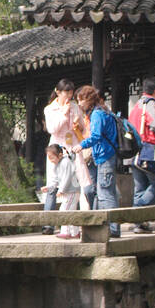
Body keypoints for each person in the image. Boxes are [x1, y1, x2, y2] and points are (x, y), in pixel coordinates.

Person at [71, 86, 121, 238]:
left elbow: (96, 136)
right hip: (106, 155)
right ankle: (111, 226)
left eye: (81, 100)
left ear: (90, 99)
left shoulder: (97, 114)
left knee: (105, 193)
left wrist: (81, 145)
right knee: (105, 191)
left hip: (105, 155)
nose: (79, 103)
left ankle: (112, 228)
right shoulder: (104, 111)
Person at [43, 78, 88, 228]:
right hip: (57, 148)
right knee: (53, 184)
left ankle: (77, 223)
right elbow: (52, 129)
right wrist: (64, 114)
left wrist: (77, 124)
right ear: (58, 92)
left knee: (78, 183)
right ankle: (48, 224)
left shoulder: (75, 106)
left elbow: (83, 127)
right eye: (65, 93)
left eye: (71, 93)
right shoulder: (50, 109)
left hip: (73, 146)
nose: (69, 96)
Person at [127, 76, 155, 233]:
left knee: (140, 188)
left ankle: (140, 224)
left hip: (135, 151)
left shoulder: (137, 105)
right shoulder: (151, 103)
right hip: (148, 151)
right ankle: (138, 210)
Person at [40, 144, 81, 239]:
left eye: (52, 158)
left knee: (65, 210)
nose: (51, 160)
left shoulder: (66, 162)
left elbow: (67, 178)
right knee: (70, 211)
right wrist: (49, 187)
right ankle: (75, 233)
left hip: (72, 191)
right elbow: (56, 179)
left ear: (60, 155)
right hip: (68, 191)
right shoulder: (57, 165)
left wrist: (61, 190)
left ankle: (66, 232)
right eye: (49, 158)